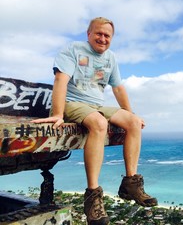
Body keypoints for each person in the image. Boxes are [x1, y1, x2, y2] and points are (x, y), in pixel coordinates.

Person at [32, 17, 157, 225]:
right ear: (88, 34)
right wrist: (58, 113)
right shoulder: (73, 49)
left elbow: (118, 88)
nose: (103, 38)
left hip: (97, 105)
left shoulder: (111, 58)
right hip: (73, 102)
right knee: (99, 124)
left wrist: (130, 113)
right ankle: (92, 196)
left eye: (107, 35)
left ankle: (131, 183)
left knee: (134, 122)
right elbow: (60, 80)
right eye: (98, 33)